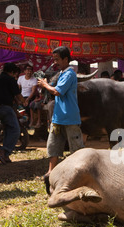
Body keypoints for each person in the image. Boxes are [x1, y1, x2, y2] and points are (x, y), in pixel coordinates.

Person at [38, 46, 85, 178]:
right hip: (58, 117)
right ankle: (50, 172)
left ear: (65, 59)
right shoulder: (63, 73)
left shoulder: (69, 74)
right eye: (54, 59)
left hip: (70, 117)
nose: (55, 62)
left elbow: (57, 91)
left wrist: (45, 84)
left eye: (57, 59)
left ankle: (79, 174)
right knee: (53, 146)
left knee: (76, 149)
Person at [0, 62, 25, 164]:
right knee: (15, 130)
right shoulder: (10, 79)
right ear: (12, 72)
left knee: (8, 129)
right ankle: (4, 150)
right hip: (5, 107)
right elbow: (18, 96)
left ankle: (5, 155)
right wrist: (24, 102)